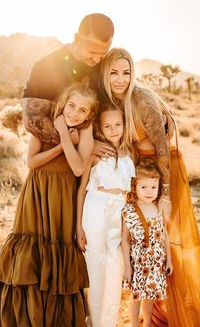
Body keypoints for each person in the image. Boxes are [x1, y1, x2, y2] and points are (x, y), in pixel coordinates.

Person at [99, 48, 200, 327]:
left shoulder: (141, 100)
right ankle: (150, 313)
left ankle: (178, 313)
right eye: (113, 73)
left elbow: (162, 147)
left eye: (126, 72)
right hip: (144, 176)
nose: (120, 79)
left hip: (164, 174)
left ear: (133, 74)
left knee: (171, 240)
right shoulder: (115, 102)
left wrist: (163, 195)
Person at [0, 82, 99, 327]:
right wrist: (61, 142)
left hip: (64, 195)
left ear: (89, 115)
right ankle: (24, 316)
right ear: (63, 103)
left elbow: (78, 168)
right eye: (72, 106)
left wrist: (66, 136)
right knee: (31, 247)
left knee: (58, 247)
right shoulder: (45, 122)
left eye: (82, 110)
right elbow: (32, 162)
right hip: (37, 193)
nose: (75, 114)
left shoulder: (85, 130)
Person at [76, 102, 135, 327]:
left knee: (114, 267)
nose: (113, 130)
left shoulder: (129, 154)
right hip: (96, 207)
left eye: (118, 124)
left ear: (124, 125)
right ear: (100, 128)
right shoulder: (95, 154)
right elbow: (81, 190)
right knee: (94, 264)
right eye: (107, 126)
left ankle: (108, 323)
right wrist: (78, 227)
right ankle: (91, 321)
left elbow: (132, 193)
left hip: (119, 209)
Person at [22, 13, 114, 144]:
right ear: (77, 39)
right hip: (56, 155)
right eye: (92, 52)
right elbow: (32, 120)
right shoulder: (45, 67)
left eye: (103, 53)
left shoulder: (106, 67)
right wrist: (84, 145)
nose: (97, 59)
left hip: (99, 158)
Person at [121, 159, 173, 327]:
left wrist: (169, 260)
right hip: (139, 261)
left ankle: (147, 323)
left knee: (150, 297)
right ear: (134, 187)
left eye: (153, 187)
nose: (149, 192)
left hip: (157, 260)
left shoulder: (158, 207)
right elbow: (125, 240)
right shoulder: (130, 210)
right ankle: (134, 324)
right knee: (136, 296)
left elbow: (164, 235)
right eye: (144, 187)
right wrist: (128, 267)